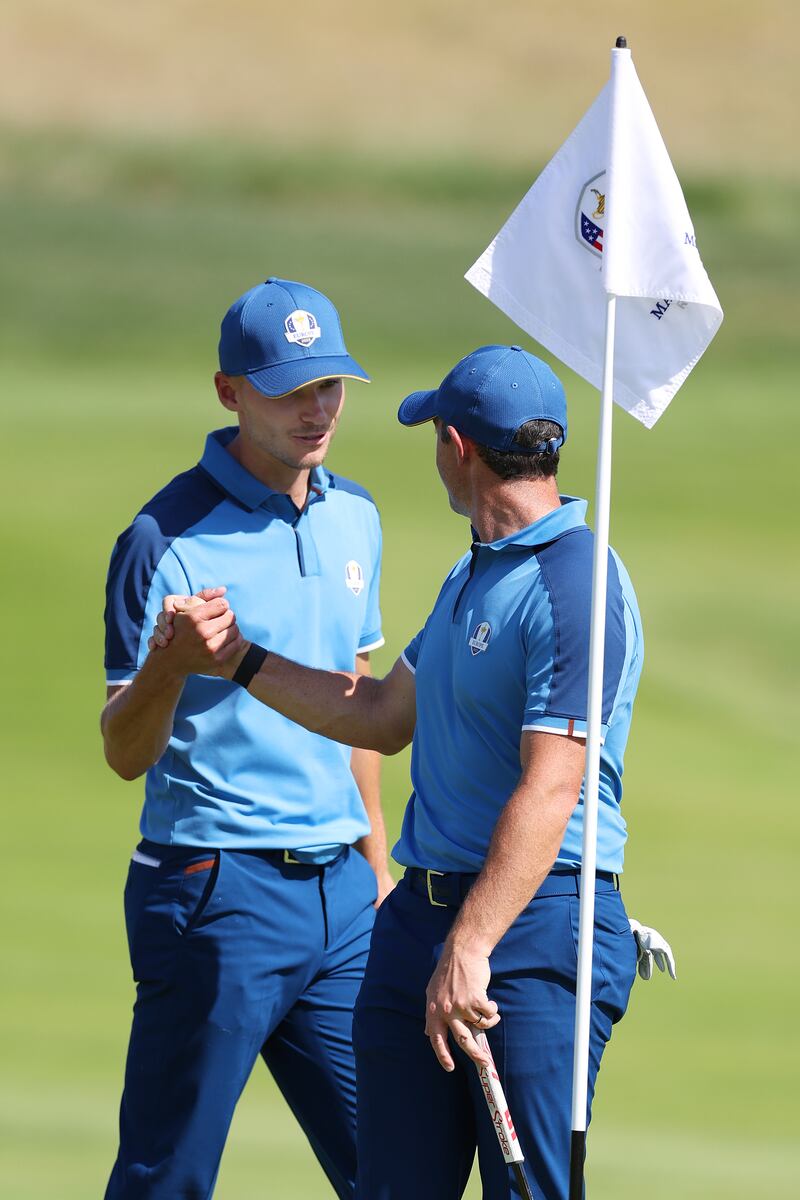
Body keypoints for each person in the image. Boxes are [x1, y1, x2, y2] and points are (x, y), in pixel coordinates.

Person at [150, 344, 653, 1199]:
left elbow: (553, 785)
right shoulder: (472, 573)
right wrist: (236, 658)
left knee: (526, 1187)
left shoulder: (576, 581)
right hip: (422, 924)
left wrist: (471, 943)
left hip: (530, 930)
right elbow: (382, 715)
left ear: (457, 446)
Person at [101, 277, 394, 1200]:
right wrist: (170, 667)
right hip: (214, 889)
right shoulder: (162, 536)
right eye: (288, 389)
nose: (317, 411)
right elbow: (123, 751)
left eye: (329, 386)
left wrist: (377, 870)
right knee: (168, 1178)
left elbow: (353, 706)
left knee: (396, 1168)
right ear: (230, 392)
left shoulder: (356, 516)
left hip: (344, 899)